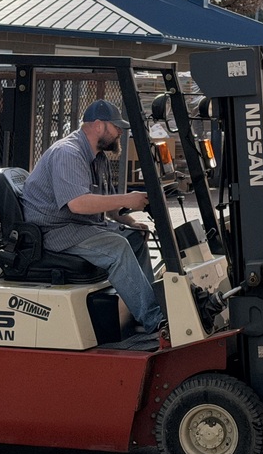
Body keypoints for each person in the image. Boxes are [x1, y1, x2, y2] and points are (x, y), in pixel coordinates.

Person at [22, 99, 165, 334]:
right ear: (98, 125)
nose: (120, 132)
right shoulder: (68, 153)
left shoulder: (98, 158)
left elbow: (104, 204)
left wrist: (128, 220)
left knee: (135, 237)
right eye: (116, 127)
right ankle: (155, 320)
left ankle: (146, 310)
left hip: (80, 226)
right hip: (55, 231)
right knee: (117, 247)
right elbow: (78, 204)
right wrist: (128, 199)